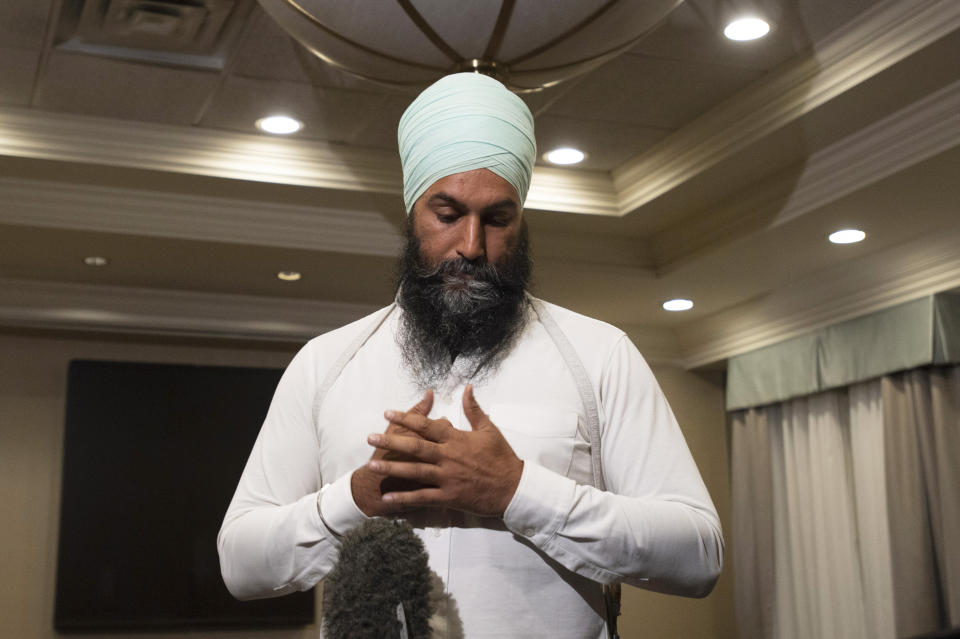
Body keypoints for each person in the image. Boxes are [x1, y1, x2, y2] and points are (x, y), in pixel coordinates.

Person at [218, 72, 723, 638]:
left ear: (521, 220)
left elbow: (698, 552)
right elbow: (240, 561)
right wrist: (356, 498)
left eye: (498, 219)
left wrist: (515, 491)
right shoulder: (325, 362)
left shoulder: (601, 353)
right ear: (412, 212)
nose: (472, 246)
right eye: (448, 213)